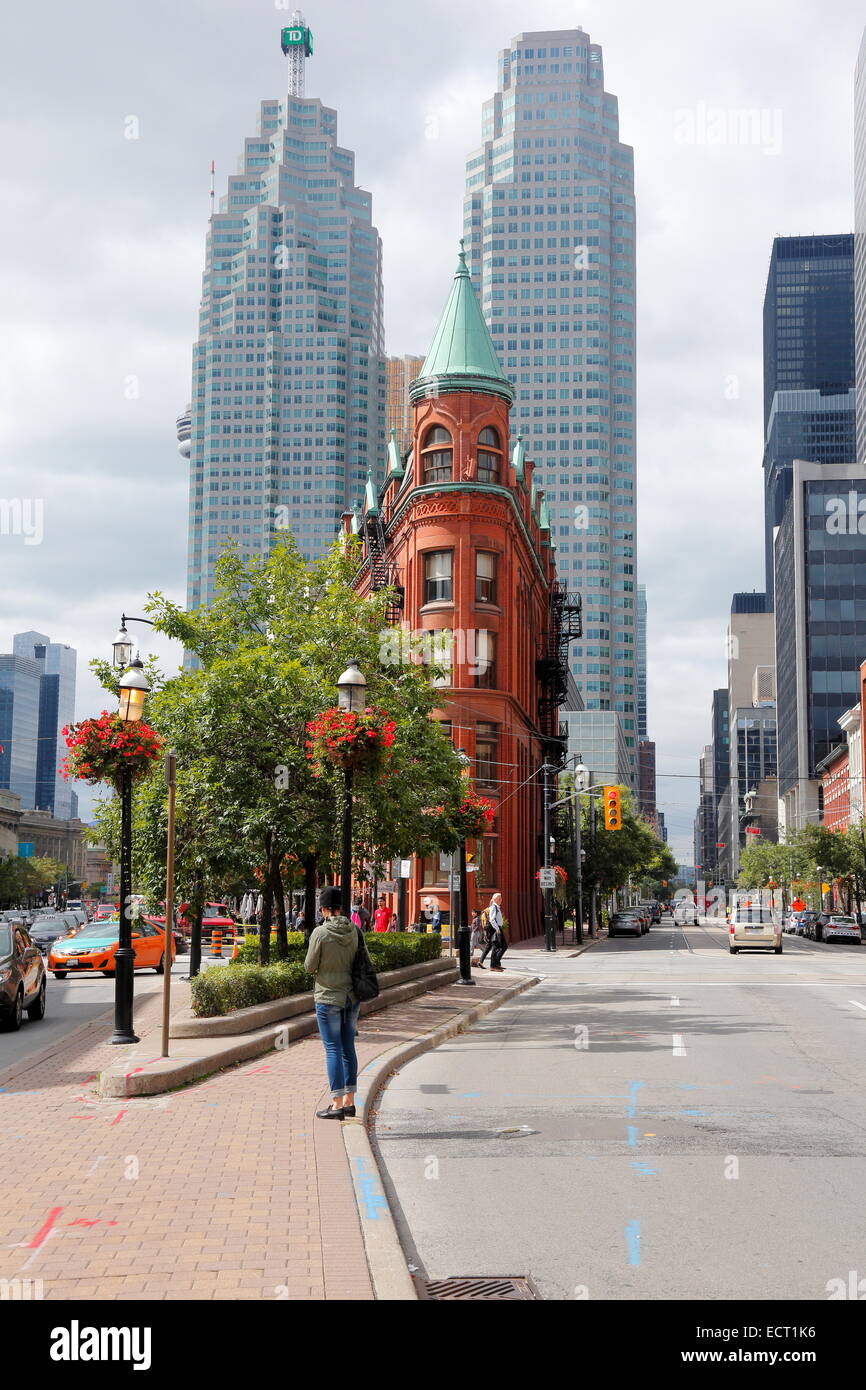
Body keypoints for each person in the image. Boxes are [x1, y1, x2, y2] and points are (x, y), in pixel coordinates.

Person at [304, 886, 361, 1120]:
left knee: (332, 1049)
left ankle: (336, 1104)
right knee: (348, 1048)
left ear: (325, 909)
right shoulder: (354, 930)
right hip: (352, 997)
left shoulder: (320, 933)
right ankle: (349, 1101)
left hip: (328, 997)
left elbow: (309, 966)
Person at [487, 893, 507, 971]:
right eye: (499, 899)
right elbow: (492, 919)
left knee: (503, 946)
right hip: (496, 929)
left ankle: (497, 963)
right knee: (497, 947)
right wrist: (497, 929)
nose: (501, 900)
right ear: (495, 899)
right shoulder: (493, 907)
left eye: (501, 898)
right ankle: (493, 965)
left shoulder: (497, 907)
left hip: (498, 928)